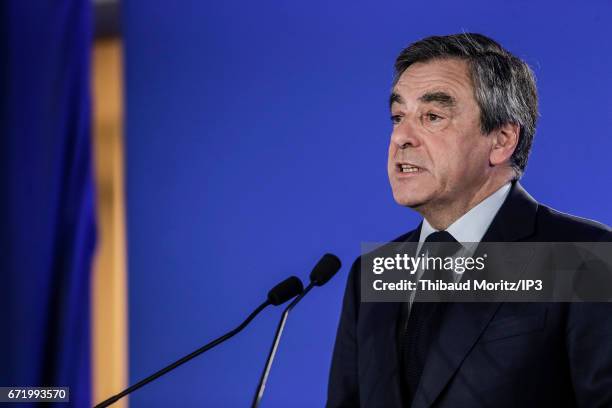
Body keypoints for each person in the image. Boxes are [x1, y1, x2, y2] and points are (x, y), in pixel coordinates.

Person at [327, 33, 612, 407]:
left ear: (501, 140)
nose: (401, 137)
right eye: (398, 116)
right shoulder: (374, 273)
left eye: (432, 116)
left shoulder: (584, 258)